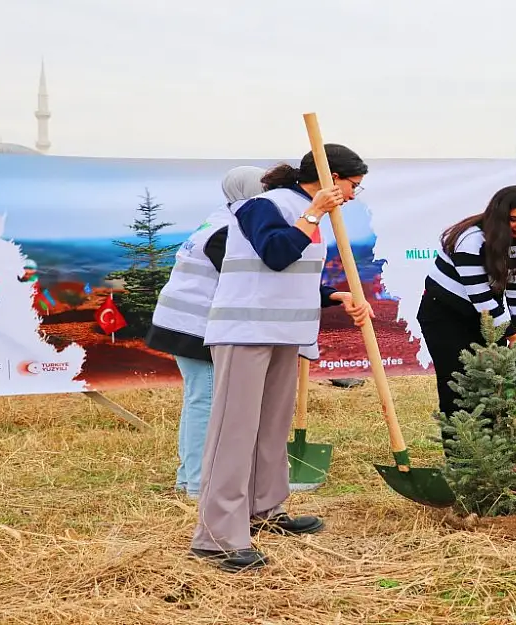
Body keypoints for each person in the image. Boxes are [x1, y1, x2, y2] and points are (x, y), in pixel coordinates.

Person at [190, 146, 373, 573]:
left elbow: (291, 276)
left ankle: (265, 509)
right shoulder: (262, 205)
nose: (352, 195)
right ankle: (216, 537)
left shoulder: (311, 212)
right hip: (244, 334)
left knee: (271, 428)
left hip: (284, 336)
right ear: (331, 177)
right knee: (233, 435)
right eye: (352, 186)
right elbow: (275, 253)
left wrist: (335, 296)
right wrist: (313, 213)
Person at [146, 165, 265, 499]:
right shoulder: (232, 230)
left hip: (181, 322)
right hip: (196, 326)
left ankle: (189, 478)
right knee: (209, 403)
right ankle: (200, 485)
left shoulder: (221, 218)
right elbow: (242, 278)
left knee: (199, 400)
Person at [417, 185, 516, 438]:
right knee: (458, 386)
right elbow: (480, 297)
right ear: (501, 216)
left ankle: (491, 452)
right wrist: (512, 337)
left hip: (486, 317)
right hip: (446, 316)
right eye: (515, 219)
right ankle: (460, 456)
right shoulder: (471, 239)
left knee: (493, 385)